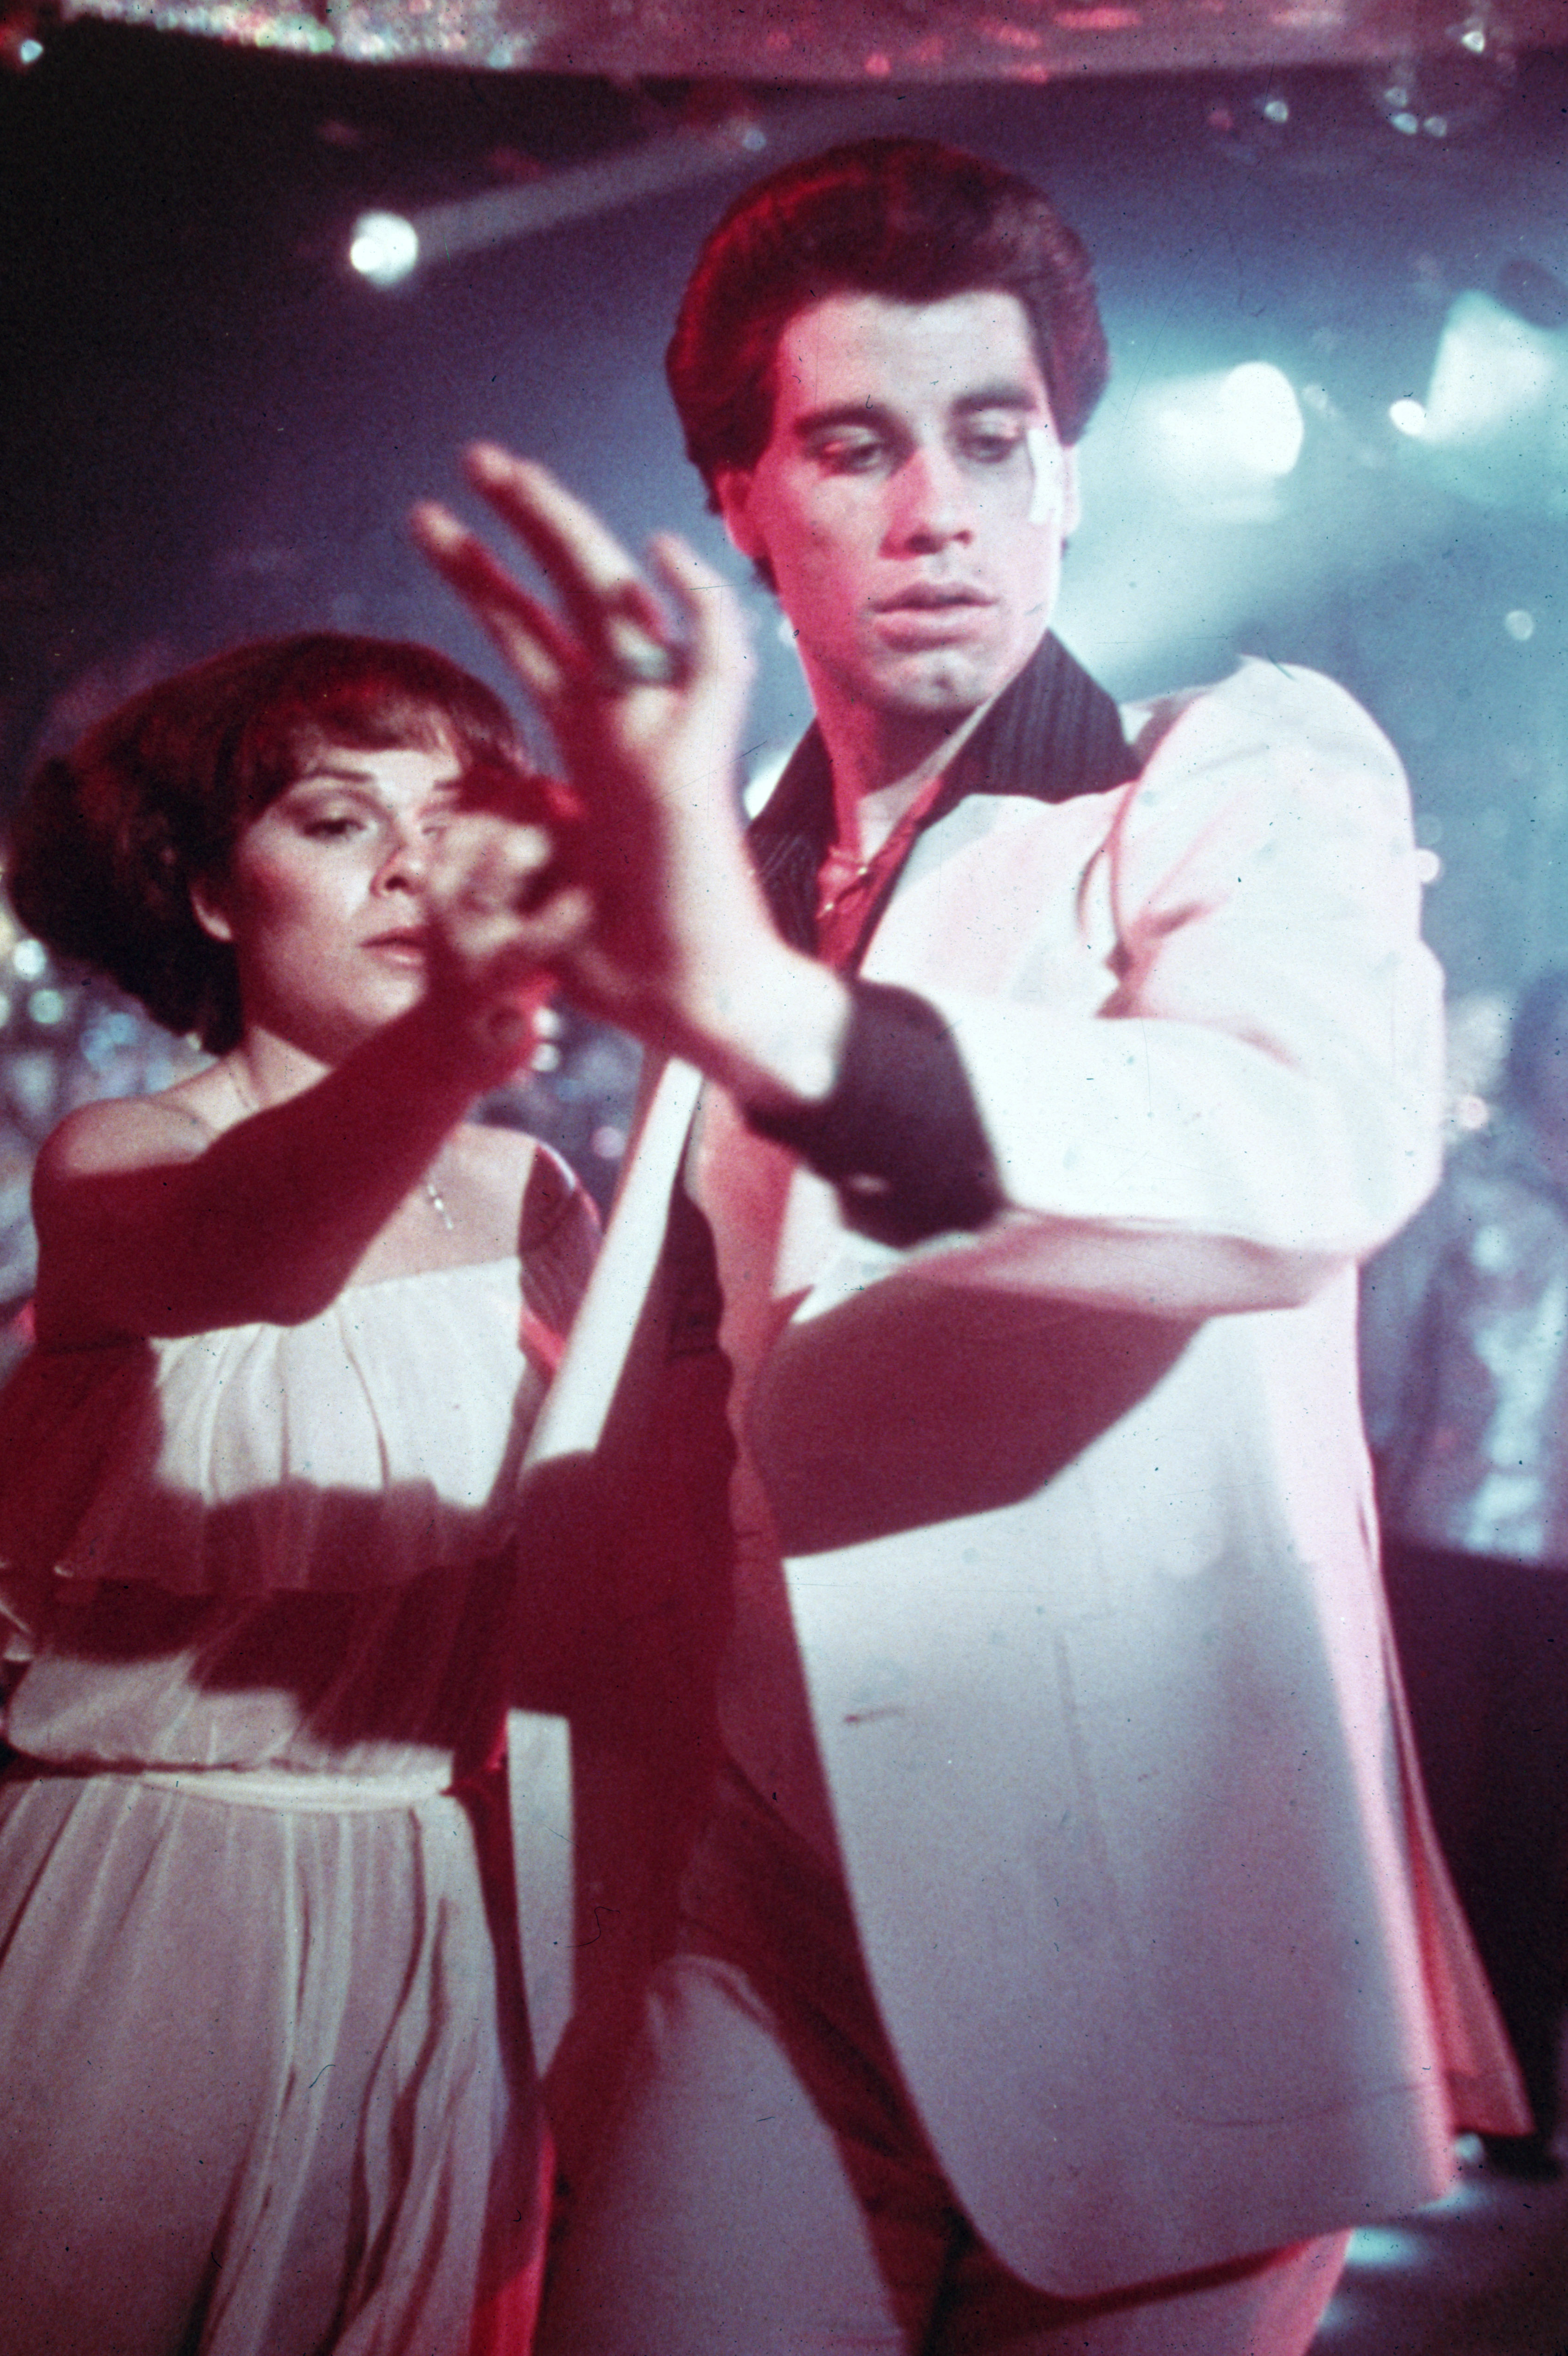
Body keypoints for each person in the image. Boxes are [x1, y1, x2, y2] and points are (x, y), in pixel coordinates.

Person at [412, 139, 1529, 2354]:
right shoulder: (714, 888)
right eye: (852, 443)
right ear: (738, 501)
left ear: (1068, 473)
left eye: (989, 437)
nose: (935, 507)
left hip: (1146, 1929)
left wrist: (773, 1012)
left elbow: (1296, 1142)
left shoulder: (1225, 771)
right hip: (745, 1909)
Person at [0, 634, 599, 2356]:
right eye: (341, 823)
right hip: (148, 1898)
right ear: (205, 889)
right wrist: (467, 1036)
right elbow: (258, 1250)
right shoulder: (121, 1151)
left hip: (450, 1893)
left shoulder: (538, 1188)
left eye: (452, 823)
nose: (414, 870)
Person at [1361, 967, 1568, 2182]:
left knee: (1538, 1826)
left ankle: (1523, 2096)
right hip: (1445, 1546)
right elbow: (1387, 1364)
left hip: (1558, 1569)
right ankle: (1411, 2094)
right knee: (1432, 1818)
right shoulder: (1467, 1199)